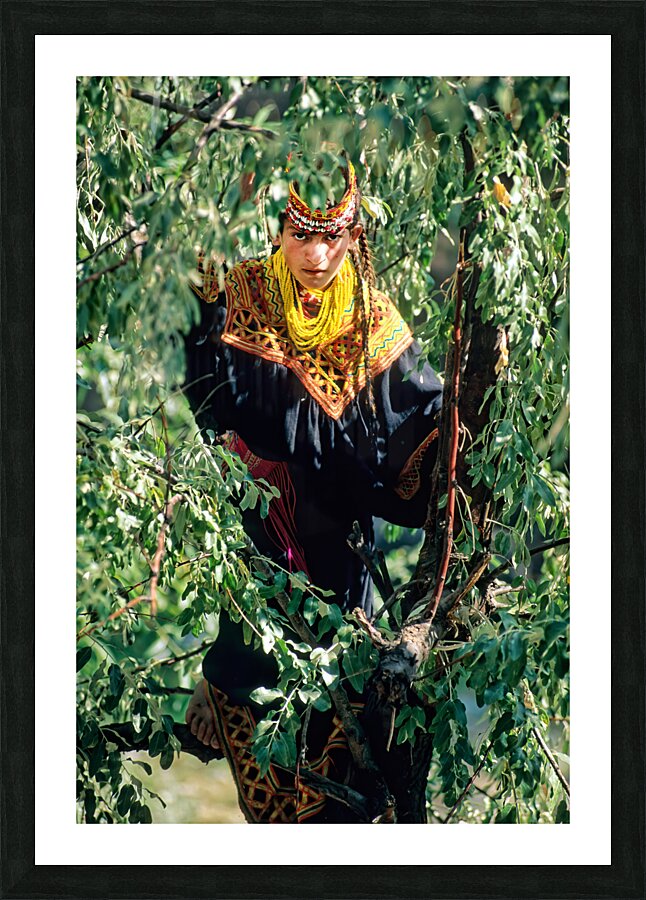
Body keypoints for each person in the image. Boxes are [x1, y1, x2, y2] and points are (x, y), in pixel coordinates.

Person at [182, 158, 443, 823]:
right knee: (266, 767)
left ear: (356, 234)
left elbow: (424, 430)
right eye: (301, 233)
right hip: (255, 538)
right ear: (277, 230)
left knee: (346, 783)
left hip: (338, 562)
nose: (317, 253)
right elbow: (206, 400)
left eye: (333, 235)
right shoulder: (238, 292)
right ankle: (223, 683)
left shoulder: (373, 323)